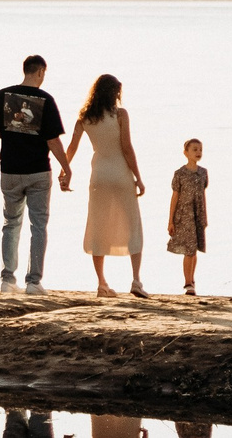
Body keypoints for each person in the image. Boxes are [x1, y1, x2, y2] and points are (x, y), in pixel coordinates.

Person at [0, 54, 70, 292]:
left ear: (25, 70)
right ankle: (33, 282)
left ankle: (7, 279)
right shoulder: (46, 99)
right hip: (38, 172)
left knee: (11, 223)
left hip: (9, 170)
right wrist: (66, 166)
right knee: (38, 226)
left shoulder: (4, 95)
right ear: (41, 72)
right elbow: (53, 141)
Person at [63, 72, 145, 296]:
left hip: (99, 175)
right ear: (114, 93)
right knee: (133, 226)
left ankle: (101, 283)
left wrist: (65, 170)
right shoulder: (120, 114)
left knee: (98, 226)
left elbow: (71, 148)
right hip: (120, 174)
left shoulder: (84, 117)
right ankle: (136, 281)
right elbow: (126, 147)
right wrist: (138, 177)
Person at [167, 137, 208, 295]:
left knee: (194, 249)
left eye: (200, 150)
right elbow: (175, 197)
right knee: (188, 249)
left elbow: (202, 195)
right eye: (194, 149)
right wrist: (170, 220)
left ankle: (192, 280)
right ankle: (187, 282)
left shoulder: (203, 173)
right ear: (186, 153)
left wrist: (204, 217)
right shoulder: (180, 174)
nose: (198, 152)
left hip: (198, 214)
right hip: (183, 215)